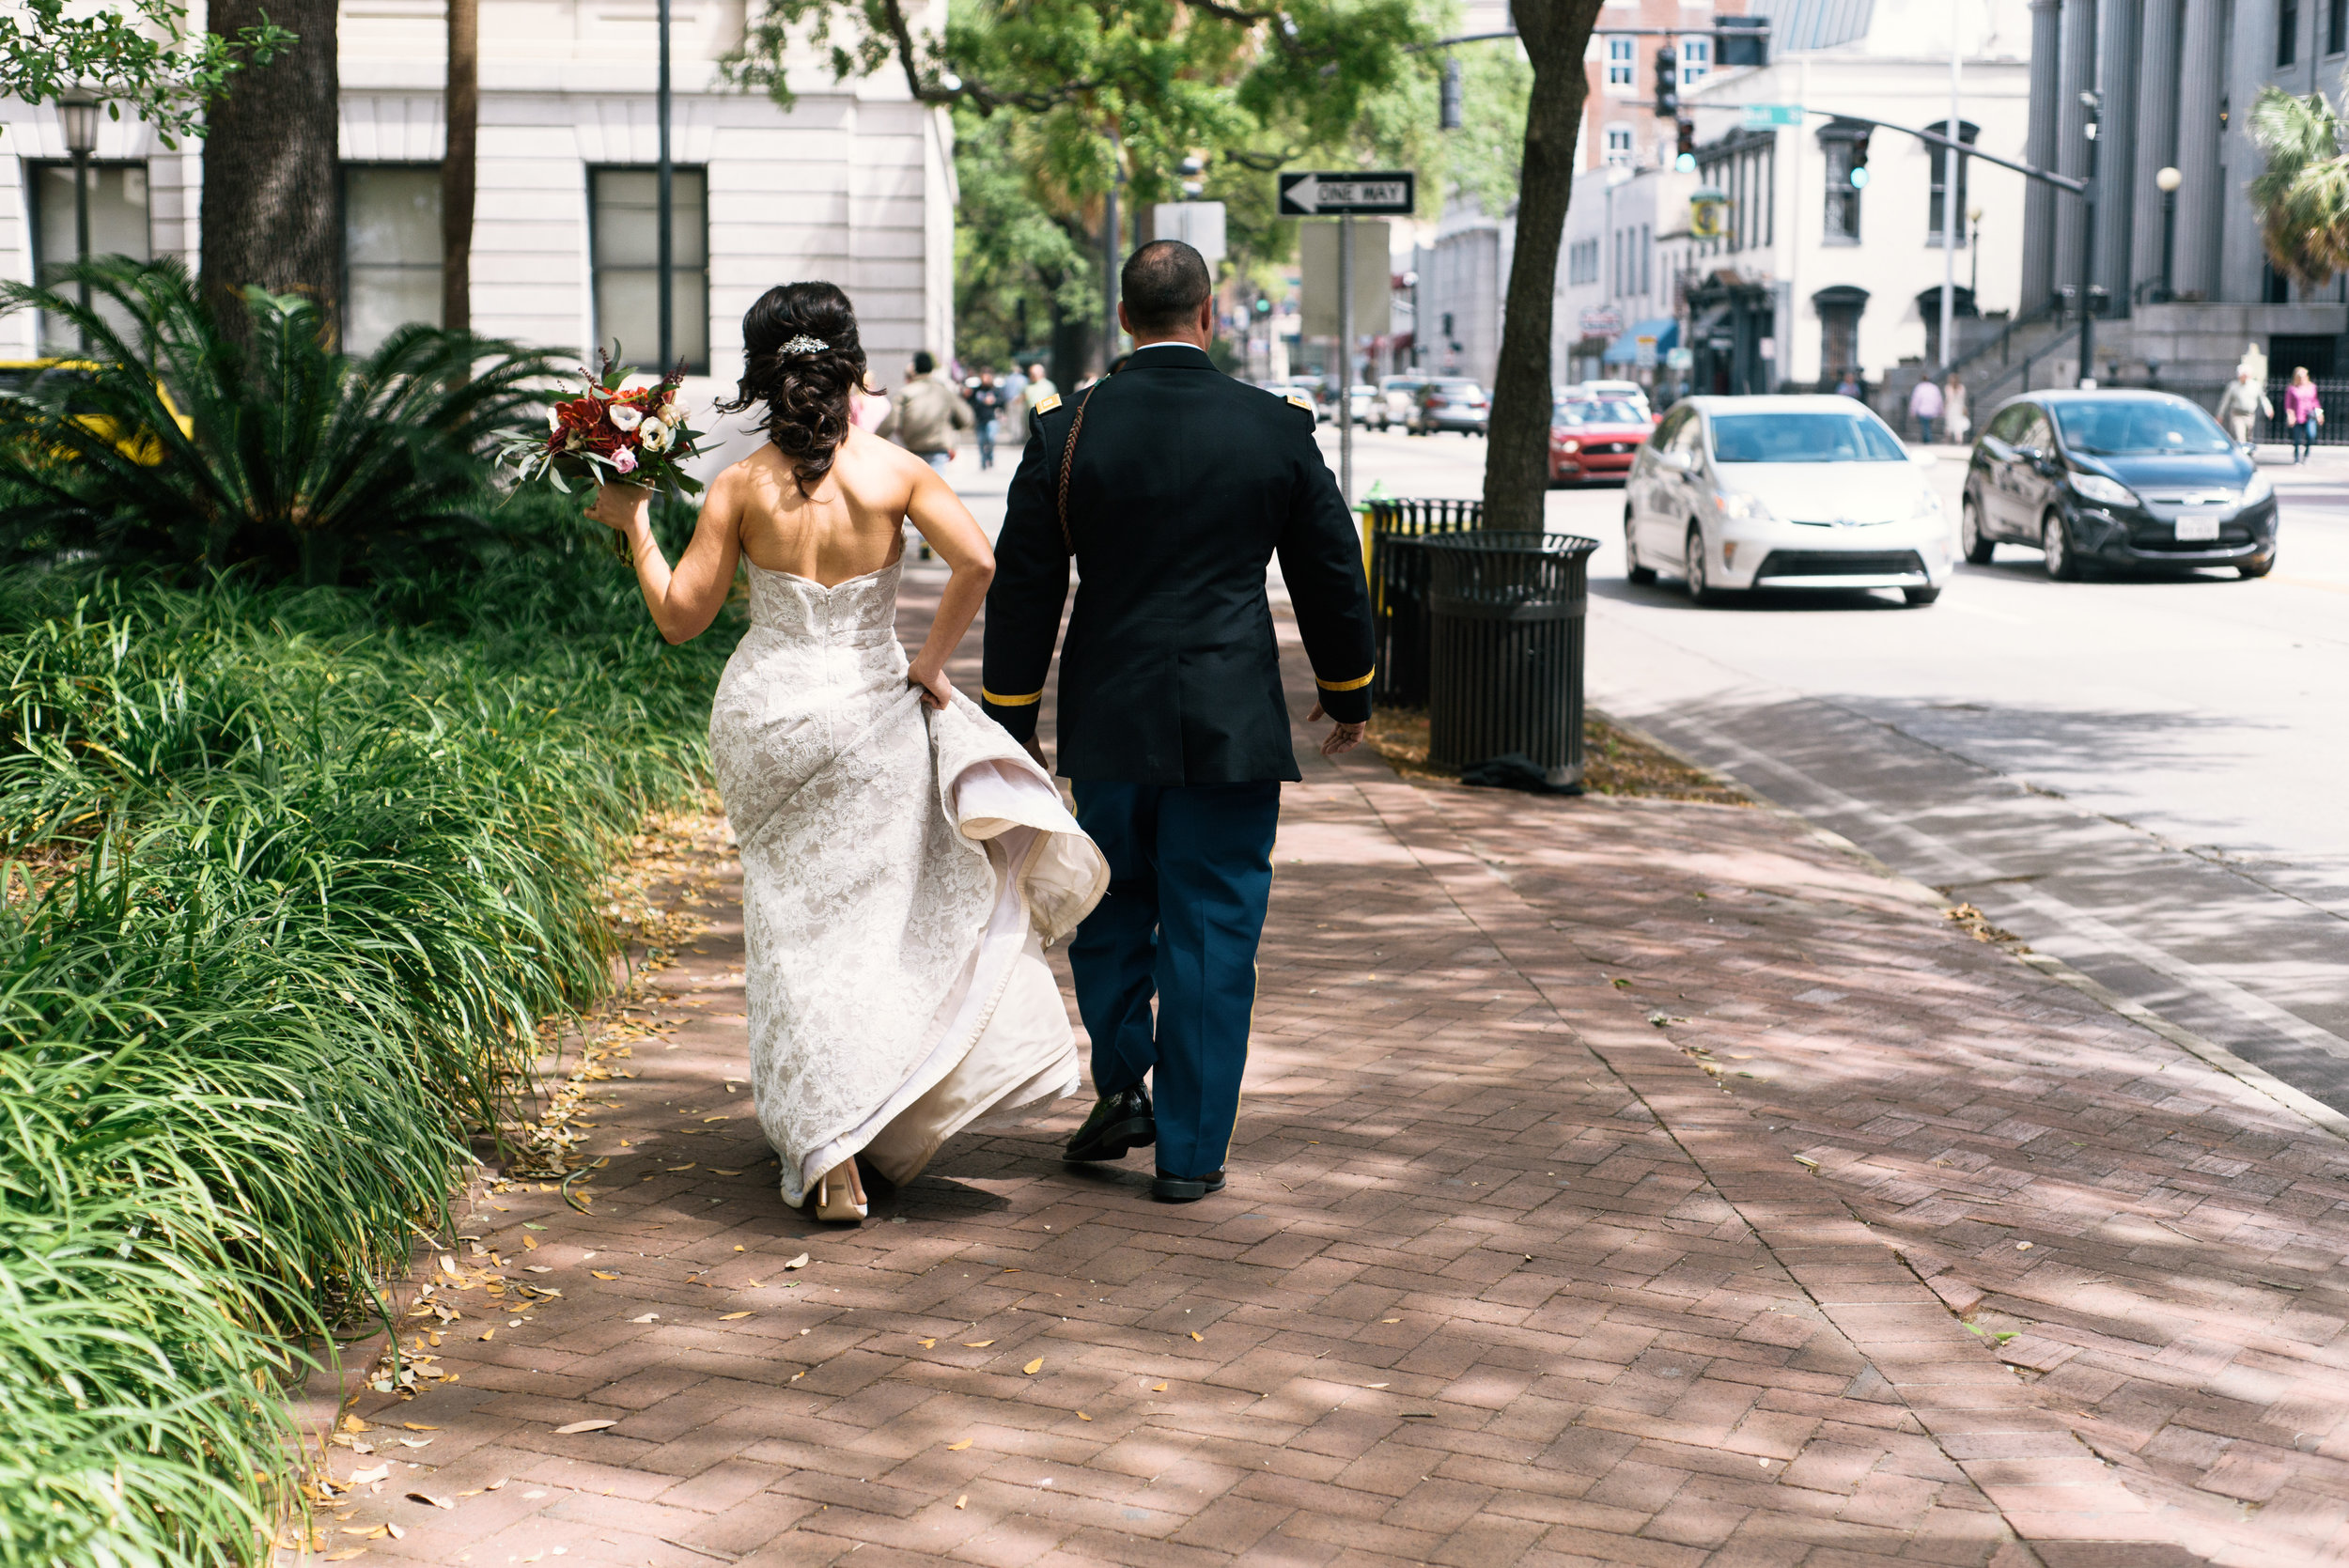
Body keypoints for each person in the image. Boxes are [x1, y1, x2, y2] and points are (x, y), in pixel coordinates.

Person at [583, 284, 1108, 1224]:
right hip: (870, 714)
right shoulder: (894, 473)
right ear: (854, 368)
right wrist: (932, 665)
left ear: (759, 377)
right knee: (866, 935)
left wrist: (634, 527)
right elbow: (979, 562)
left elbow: (677, 620)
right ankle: (867, 1122)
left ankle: (831, 1157)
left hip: (769, 720)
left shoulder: (740, 487)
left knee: (793, 936)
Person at [982, 241, 1376, 1205]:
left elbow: (1025, 585)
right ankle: (1190, 1154)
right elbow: (1327, 568)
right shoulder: (1272, 428)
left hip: (1110, 715)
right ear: (1210, 314)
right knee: (1214, 930)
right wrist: (1347, 685)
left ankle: (1123, 1088)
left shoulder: (1066, 431)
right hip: (1232, 718)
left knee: (1107, 908)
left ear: (1124, 318)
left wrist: (1011, 718)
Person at [878, 350, 973, 474]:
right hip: (938, 451)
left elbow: (890, 423)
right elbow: (965, 419)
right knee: (935, 487)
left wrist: (873, 439)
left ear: (915, 369)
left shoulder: (905, 393)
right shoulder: (943, 392)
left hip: (914, 450)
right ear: (932, 368)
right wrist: (951, 424)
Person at [2217, 367, 2273, 450]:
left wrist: (2268, 408)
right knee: (2240, 436)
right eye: (2243, 375)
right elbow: (2225, 401)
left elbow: (2263, 398)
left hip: (2250, 415)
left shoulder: (2255, 386)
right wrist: (2220, 414)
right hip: (2237, 415)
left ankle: (2247, 453)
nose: (2244, 377)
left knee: (2249, 437)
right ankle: (2242, 453)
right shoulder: (2233, 386)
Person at [967, 367, 1006, 470]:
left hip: (991, 419)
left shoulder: (995, 390)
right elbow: (970, 403)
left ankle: (990, 456)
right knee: (981, 441)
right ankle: (983, 461)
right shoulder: (976, 390)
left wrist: (993, 402)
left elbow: (1002, 402)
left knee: (990, 439)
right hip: (980, 419)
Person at [2285, 365, 2323, 462]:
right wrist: (2290, 415)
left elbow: (2315, 402)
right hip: (2298, 416)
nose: (2302, 378)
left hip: (2309, 415)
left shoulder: (2312, 387)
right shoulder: (2292, 388)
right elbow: (2288, 404)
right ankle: (2297, 456)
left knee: (2311, 435)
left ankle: (2306, 453)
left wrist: (2319, 414)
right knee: (2297, 439)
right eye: (2300, 376)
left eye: (2304, 376)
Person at [1908, 375, 1944, 443]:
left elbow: (1915, 400)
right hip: (1933, 411)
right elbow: (1939, 400)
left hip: (1922, 410)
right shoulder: (1934, 388)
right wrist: (1940, 410)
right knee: (1927, 425)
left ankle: (1928, 439)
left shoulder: (1919, 388)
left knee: (1925, 426)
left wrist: (1913, 410)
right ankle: (1926, 439)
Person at [1942, 373, 1970, 446]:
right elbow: (1948, 399)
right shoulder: (1948, 387)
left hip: (1958, 408)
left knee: (1958, 424)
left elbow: (1962, 399)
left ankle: (1958, 440)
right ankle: (1948, 438)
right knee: (1949, 423)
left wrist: (1964, 408)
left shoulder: (1961, 388)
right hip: (1951, 408)